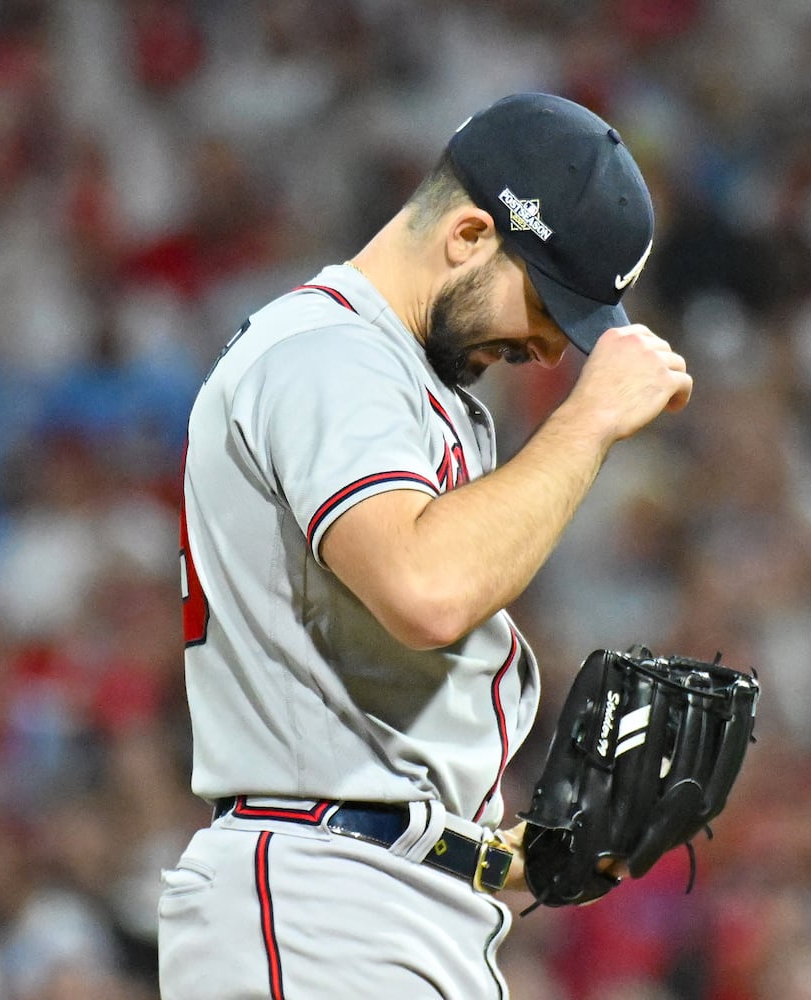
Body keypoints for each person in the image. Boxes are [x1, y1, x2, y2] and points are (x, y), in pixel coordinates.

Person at [157, 93, 690, 999]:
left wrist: (502, 855)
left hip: (377, 894)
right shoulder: (332, 355)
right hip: (322, 901)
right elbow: (424, 589)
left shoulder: (407, 380)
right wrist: (590, 422)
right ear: (470, 234)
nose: (556, 349)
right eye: (552, 303)